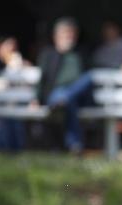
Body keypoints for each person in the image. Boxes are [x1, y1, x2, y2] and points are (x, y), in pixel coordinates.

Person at [36, 17, 93, 154]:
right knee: (66, 100)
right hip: (56, 93)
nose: (70, 37)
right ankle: (74, 145)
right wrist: (36, 99)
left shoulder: (81, 53)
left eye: (72, 34)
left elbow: (97, 69)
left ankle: (62, 101)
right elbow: (42, 80)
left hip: (78, 95)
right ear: (56, 36)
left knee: (88, 78)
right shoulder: (49, 54)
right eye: (66, 34)